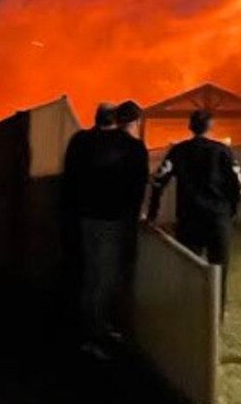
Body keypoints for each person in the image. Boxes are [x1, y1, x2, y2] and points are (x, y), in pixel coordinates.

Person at [62, 100, 148, 357]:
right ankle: (95, 334)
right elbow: (137, 185)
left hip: (83, 218)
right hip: (112, 220)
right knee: (106, 277)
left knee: (90, 274)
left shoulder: (79, 141)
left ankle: (87, 328)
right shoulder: (130, 148)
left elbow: (70, 177)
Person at [147, 109, 241, 320]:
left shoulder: (179, 151)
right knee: (219, 269)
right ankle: (216, 316)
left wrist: (153, 213)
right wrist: (232, 213)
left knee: (189, 269)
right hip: (219, 219)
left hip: (190, 220)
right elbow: (238, 186)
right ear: (211, 126)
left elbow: (158, 181)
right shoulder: (223, 152)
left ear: (190, 127)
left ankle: (189, 313)